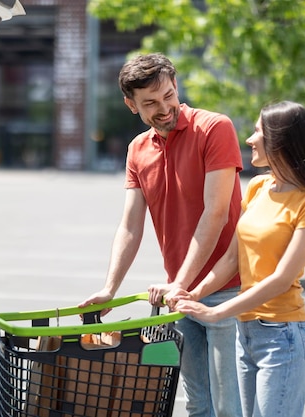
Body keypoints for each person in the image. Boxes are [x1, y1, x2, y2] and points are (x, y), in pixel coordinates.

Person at [78, 53, 243, 417]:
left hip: (229, 289)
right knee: (199, 404)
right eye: (150, 103)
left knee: (231, 407)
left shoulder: (215, 128)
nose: (164, 108)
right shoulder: (137, 149)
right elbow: (130, 225)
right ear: (131, 105)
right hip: (180, 296)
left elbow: (214, 213)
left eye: (168, 95)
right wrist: (110, 288)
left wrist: (179, 283)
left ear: (176, 86)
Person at [171, 101, 305, 417]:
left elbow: (281, 279)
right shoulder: (258, 186)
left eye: (258, 131)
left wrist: (216, 311)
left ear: (281, 140)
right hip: (245, 335)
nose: (249, 139)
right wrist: (192, 295)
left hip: (282, 339)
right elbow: (231, 260)